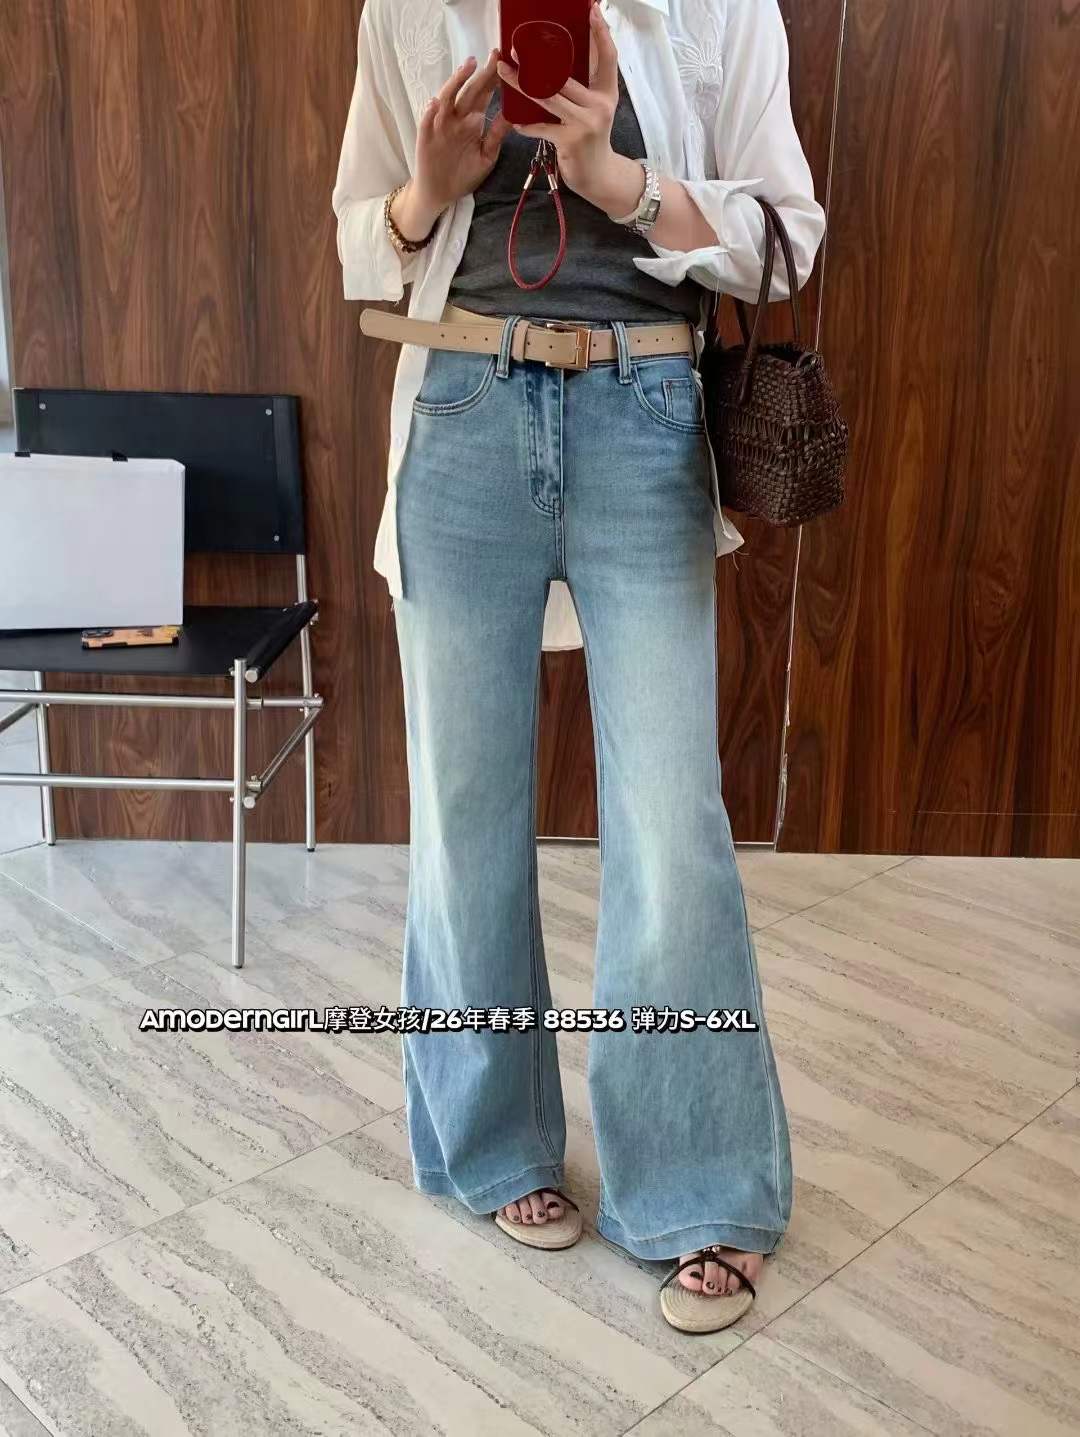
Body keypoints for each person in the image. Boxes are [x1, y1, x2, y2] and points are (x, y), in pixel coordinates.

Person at [332, 0, 825, 1335]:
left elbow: (789, 236)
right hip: (460, 404)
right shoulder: (403, 8)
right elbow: (359, 241)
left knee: (670, 822)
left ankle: (701, 1181)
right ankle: (493, 1140)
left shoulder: (724, 9)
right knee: (464, 810)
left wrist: (618, 181)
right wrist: (427, 193)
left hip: (645, 411)